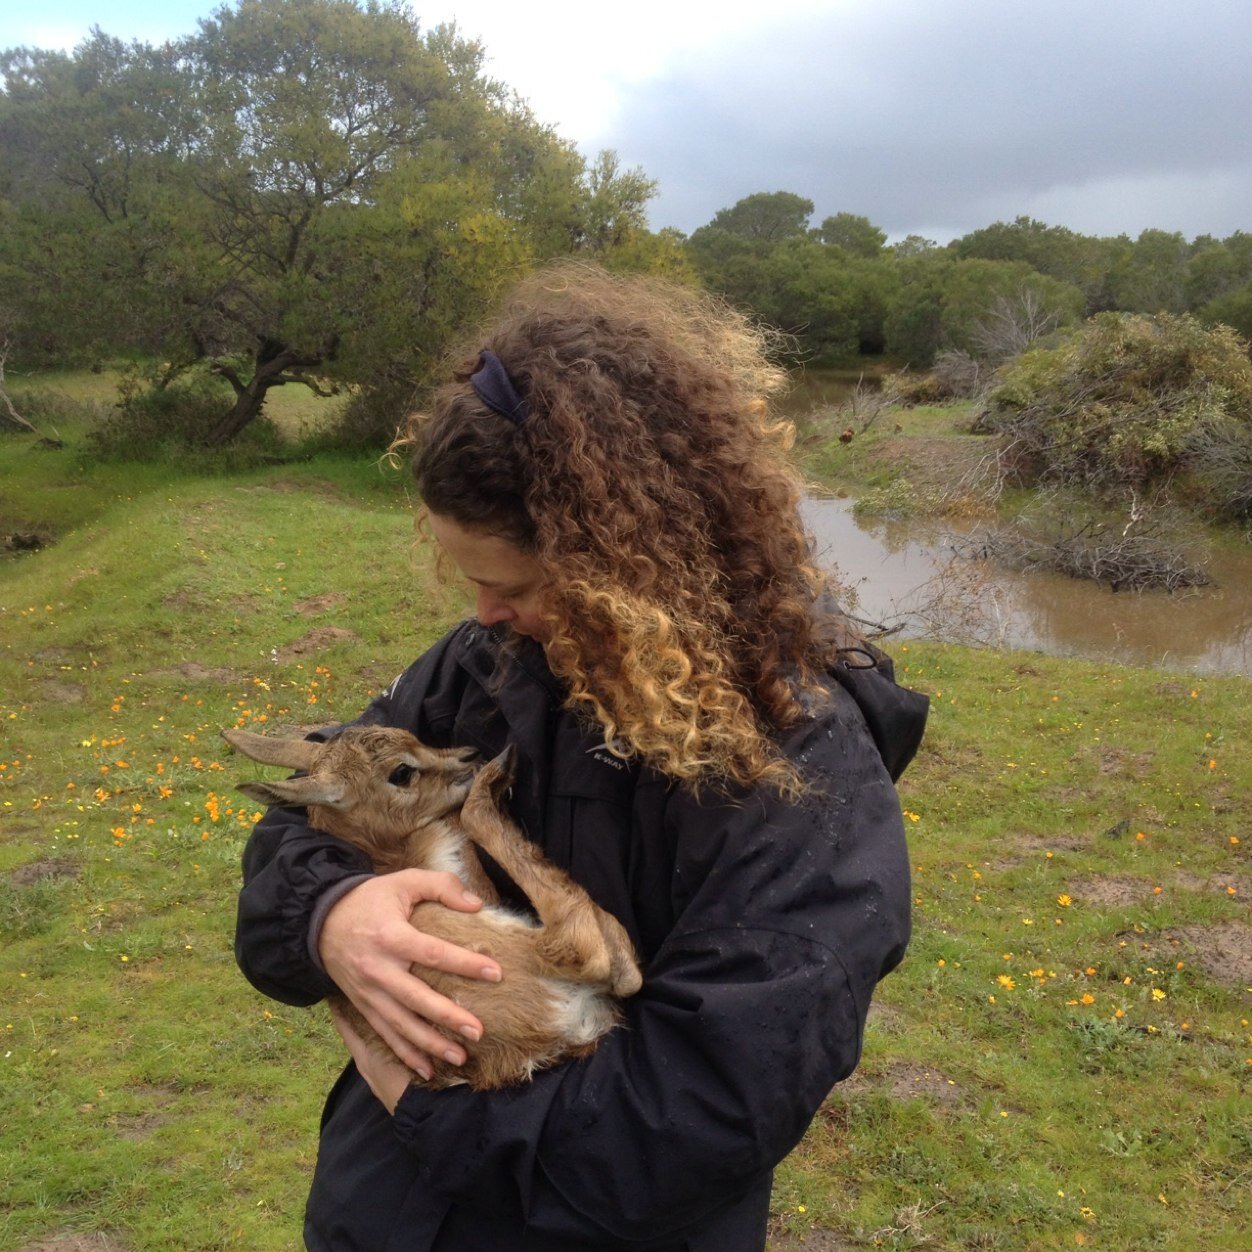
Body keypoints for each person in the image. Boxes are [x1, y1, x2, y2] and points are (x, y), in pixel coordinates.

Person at [234, 263, 926, 1252]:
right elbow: (300, 823)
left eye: (511, 581)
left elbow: (696, 1120)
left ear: (619, 567)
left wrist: (424, 1105)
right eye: (467, 578)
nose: (483, 614)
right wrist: (326, 915)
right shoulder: (485, 668)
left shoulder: (803, 772)